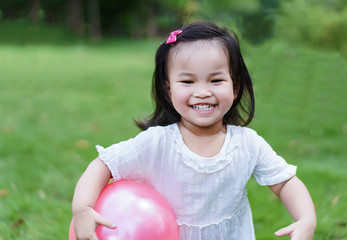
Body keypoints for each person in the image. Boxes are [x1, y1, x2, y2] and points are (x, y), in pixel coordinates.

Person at [72, 21, 316, 240]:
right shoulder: (157, 143)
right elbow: (103, 164)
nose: (202, 91)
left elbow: (285, 183)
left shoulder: (248, 144)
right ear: (169, 89)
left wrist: (306, 218)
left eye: (216, 80)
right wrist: (82, 209)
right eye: (188, 81)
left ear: (235, 86)